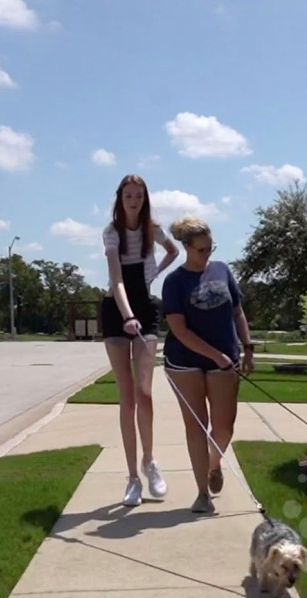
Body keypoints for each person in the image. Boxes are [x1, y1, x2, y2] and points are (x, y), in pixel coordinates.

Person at [160, 215, 254, 514]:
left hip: (225, 359)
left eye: (210, 247)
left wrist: (247, 347)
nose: (206, 254)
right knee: (196, 427)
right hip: (184, 361)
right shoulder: (174, 282)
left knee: (224, 426)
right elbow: (179, 330)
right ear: (186, 247)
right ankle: (203, 494)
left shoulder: (223, 270)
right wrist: (214, 355)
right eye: (201, 249)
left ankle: (214, 464)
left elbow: (238, 312)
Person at [101, 175, 179, 506]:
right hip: (116, 310)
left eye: (139, 196)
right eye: (128, 196)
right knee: (127, 397)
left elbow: (173, 250)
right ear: (120, 199)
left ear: (145, 199)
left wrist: (154, 273)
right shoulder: (112, 232)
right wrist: (127, 315)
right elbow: (116, 279)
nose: (133, 201)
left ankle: (150, 462)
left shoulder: (152, 229)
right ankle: (132, 477)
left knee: (144, 393)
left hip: (146, 310)